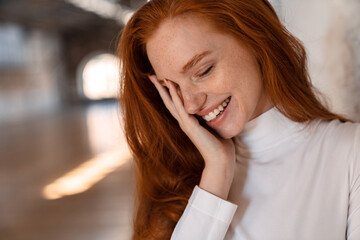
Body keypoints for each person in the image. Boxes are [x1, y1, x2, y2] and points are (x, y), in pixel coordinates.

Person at [117, 0, 360, 239]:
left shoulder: (349, 151)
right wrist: (217, 172)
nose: (190, 104)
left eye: (203, 71)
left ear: (256, 39)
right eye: (172, 88)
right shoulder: (176, 172)